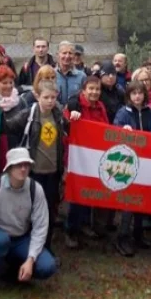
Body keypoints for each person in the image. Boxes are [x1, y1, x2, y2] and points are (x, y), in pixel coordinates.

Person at [0, 148, 57, 295]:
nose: (23, 169)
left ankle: (15, 271)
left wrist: (30, 259)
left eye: (26, 165)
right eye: (18, 165)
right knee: (0, 241)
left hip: (21, 239)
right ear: (9, 168)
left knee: (47, 266)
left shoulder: (35, 189)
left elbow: (40, 227)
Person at [2, 81, 65, 251]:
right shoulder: (28, 115)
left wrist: (75, 115)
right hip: (34, 173)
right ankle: (27, 248)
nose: (50, 101)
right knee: (30, 211)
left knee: (49, 211)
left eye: (53, 97)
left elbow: (72, 130)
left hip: (53, 173)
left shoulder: (59, 115)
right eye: (46, 97)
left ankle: (46, 247)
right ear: (37, 96)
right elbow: (8, 127)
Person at [62, 76, 108, 249]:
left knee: (90, 191)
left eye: (97, 89)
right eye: (91, 89)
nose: (94, 92)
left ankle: (84, 224)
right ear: (83, 90)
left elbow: (105, 128)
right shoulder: (75, 106)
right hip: (77, 156)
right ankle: (71, 230)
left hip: (94, 156)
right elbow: (65, 128)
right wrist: (71, 119)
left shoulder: (100, 106)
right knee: (76, 193)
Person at [111, 81, 151, 257]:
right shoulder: (123, 112)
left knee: (141, 197)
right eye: (134, 93)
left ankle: (138, 233)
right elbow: (115, 130)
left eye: (140, 93)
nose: (137, 96)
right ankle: (122, 236)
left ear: (145, 95)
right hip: (128, 160)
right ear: (128, 96)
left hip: (145, 159)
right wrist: (123, 129)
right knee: (129, 200)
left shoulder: (149, 112)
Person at [55, 41, 85, 106]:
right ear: (57, 55)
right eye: (64, 53)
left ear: (73, 55)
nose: (67, 56)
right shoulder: (51, 75)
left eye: (70, 53)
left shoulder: (81, 76)